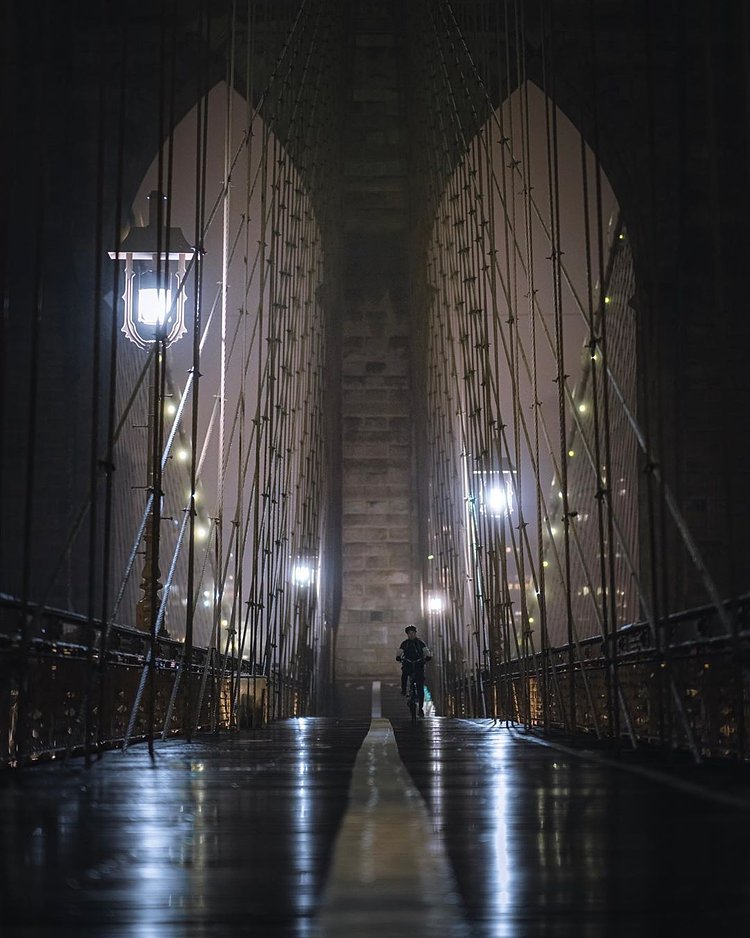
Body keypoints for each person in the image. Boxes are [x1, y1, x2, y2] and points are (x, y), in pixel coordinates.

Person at [396, 625, 432, 717]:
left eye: (413, 633)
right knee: (404, 675)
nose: (411, 635)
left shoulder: (420, 643)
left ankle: (420, 708)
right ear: (407, 634)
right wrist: (398, 657)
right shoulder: (405, 643)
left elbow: (426, 651)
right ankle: (404, 689)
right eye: (409, 633)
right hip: (408, 664)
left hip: (418, 665)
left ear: (415, 633)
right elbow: (400, 651)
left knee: (420, 687)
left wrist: (427, 656)